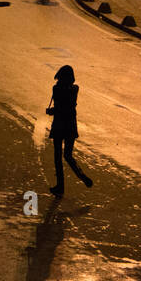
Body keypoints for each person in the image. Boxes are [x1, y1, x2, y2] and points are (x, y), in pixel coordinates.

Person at [46, 65, 91, 195]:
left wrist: (50, 111)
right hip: (71, 127)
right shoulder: (75, 89)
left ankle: (60, 187)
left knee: (58, 157)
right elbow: (68, 106)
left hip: (59, 126)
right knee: (68, 155)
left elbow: (59, 108)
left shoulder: (57, 89)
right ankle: (81, 175)